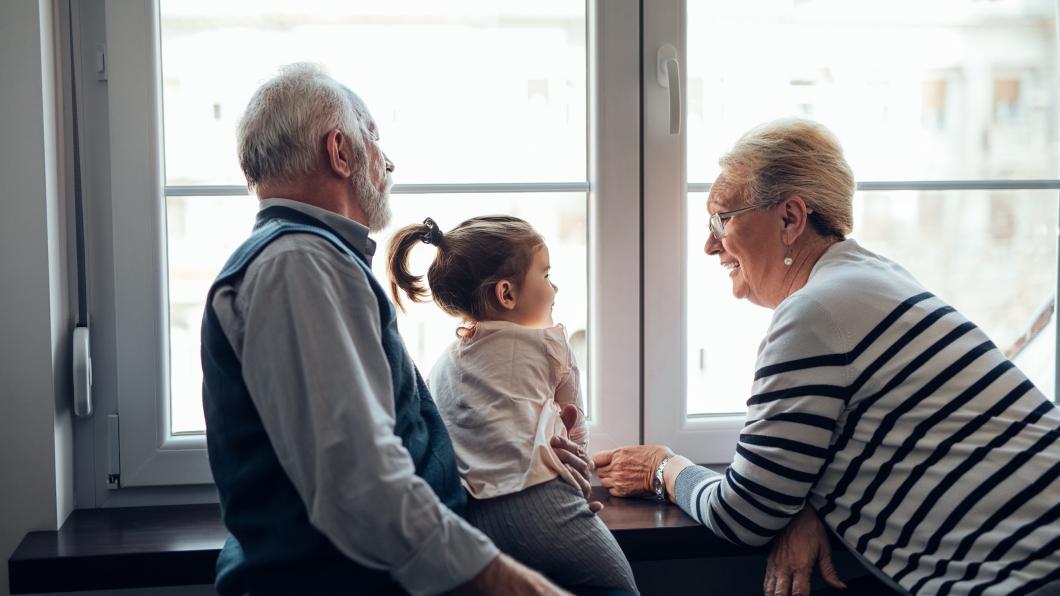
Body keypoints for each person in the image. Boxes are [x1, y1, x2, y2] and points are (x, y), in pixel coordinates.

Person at [593, 118, 1060, 596]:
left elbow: (745, 514)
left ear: (791, 219)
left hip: (1019, 576)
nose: (711, 245)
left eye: (722, 219)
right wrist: (808, 505)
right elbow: (863, 443)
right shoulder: (872, 277)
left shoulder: (813, 313)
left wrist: (662, 468)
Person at [200, 62, 595, 596]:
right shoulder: (299, 264)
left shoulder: (311, 260)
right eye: (375, 142)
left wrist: (529, 455)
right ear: (339, 152)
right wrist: (520, 587)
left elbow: (382, 439)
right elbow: (363, 485)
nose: (388, 162)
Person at [386, 216, 639, 594]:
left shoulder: (440, 367)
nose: (555, 287)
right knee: (618, 589)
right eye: (546, 274)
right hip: (543, 503)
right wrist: (579, 492)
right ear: (506, 293)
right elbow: (576, 433)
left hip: (473, 517)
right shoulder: (551, 344)